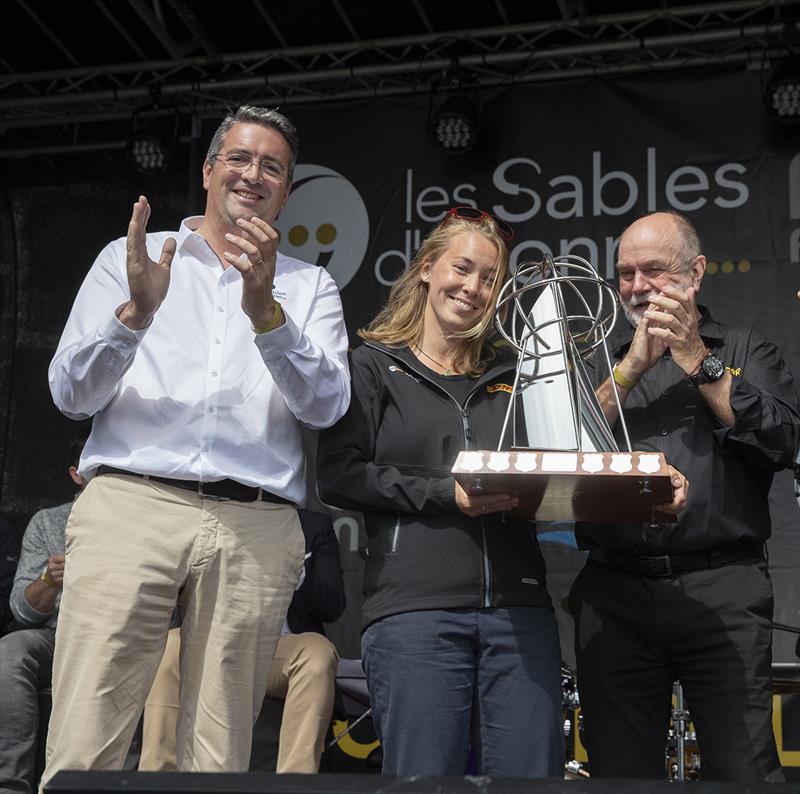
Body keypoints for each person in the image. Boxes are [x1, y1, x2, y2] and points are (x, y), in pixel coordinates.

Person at [43, 105, 350, 785]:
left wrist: (268, 313)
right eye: (239, 158)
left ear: (287, 191)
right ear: (209, 171)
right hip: (132, 505)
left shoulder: (309, 285)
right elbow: (70, 393)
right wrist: (135, 316)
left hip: (255, 522)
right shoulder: (132, 260)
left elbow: (327, 406)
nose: (254, 174)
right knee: (87, 736)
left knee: (219, 754)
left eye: (272, 166)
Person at [317, 207, 564, 778]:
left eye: (489, 278)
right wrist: (443, 493)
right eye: (462, 268)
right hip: (414, 613)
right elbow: (339, 475)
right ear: (427, 268)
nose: (473, 287)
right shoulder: (372, 366)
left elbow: (556, 463)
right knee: (423, 784)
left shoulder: (520, 372)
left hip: (518, 611)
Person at [569, 210, 800, 782]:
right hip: (615, 590)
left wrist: (698, 358)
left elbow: (781, 441)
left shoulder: (746, 345)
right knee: (620, 773)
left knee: (743, 768)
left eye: (655, 270)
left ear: (695, 273)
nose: (638, 286)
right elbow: (558, 448)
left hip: (722, 586)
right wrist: (629, 370)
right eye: (625, 273)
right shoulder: (602, 358)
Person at [139, 508, 346, 774]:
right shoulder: (208, 513)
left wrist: (296, 571)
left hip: (279, 646)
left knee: (317, 654)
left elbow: (333, 606)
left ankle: (295, 780)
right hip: (211, 640)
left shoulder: (313, 525)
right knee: (170, 646)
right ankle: (159, 776)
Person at [0, 457, 85, 794]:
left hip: (121, 635)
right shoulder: (50, 522)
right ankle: (9, 784)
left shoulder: (145, 525)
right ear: (76, 474)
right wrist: (49, 580)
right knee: (11, 650)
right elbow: (22, 611)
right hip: (56, 634)